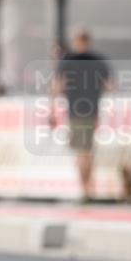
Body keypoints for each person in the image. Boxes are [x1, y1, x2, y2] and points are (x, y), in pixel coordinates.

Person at [51, 29, 112, 203]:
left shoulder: (67, 61)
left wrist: (51, 108)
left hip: (77, 111)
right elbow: (109, 85)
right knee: (87, 151)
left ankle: (85, 190)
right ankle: (88, 188)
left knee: (81, 152)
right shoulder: (97, 61)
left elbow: (57, 86)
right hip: (92, 110)